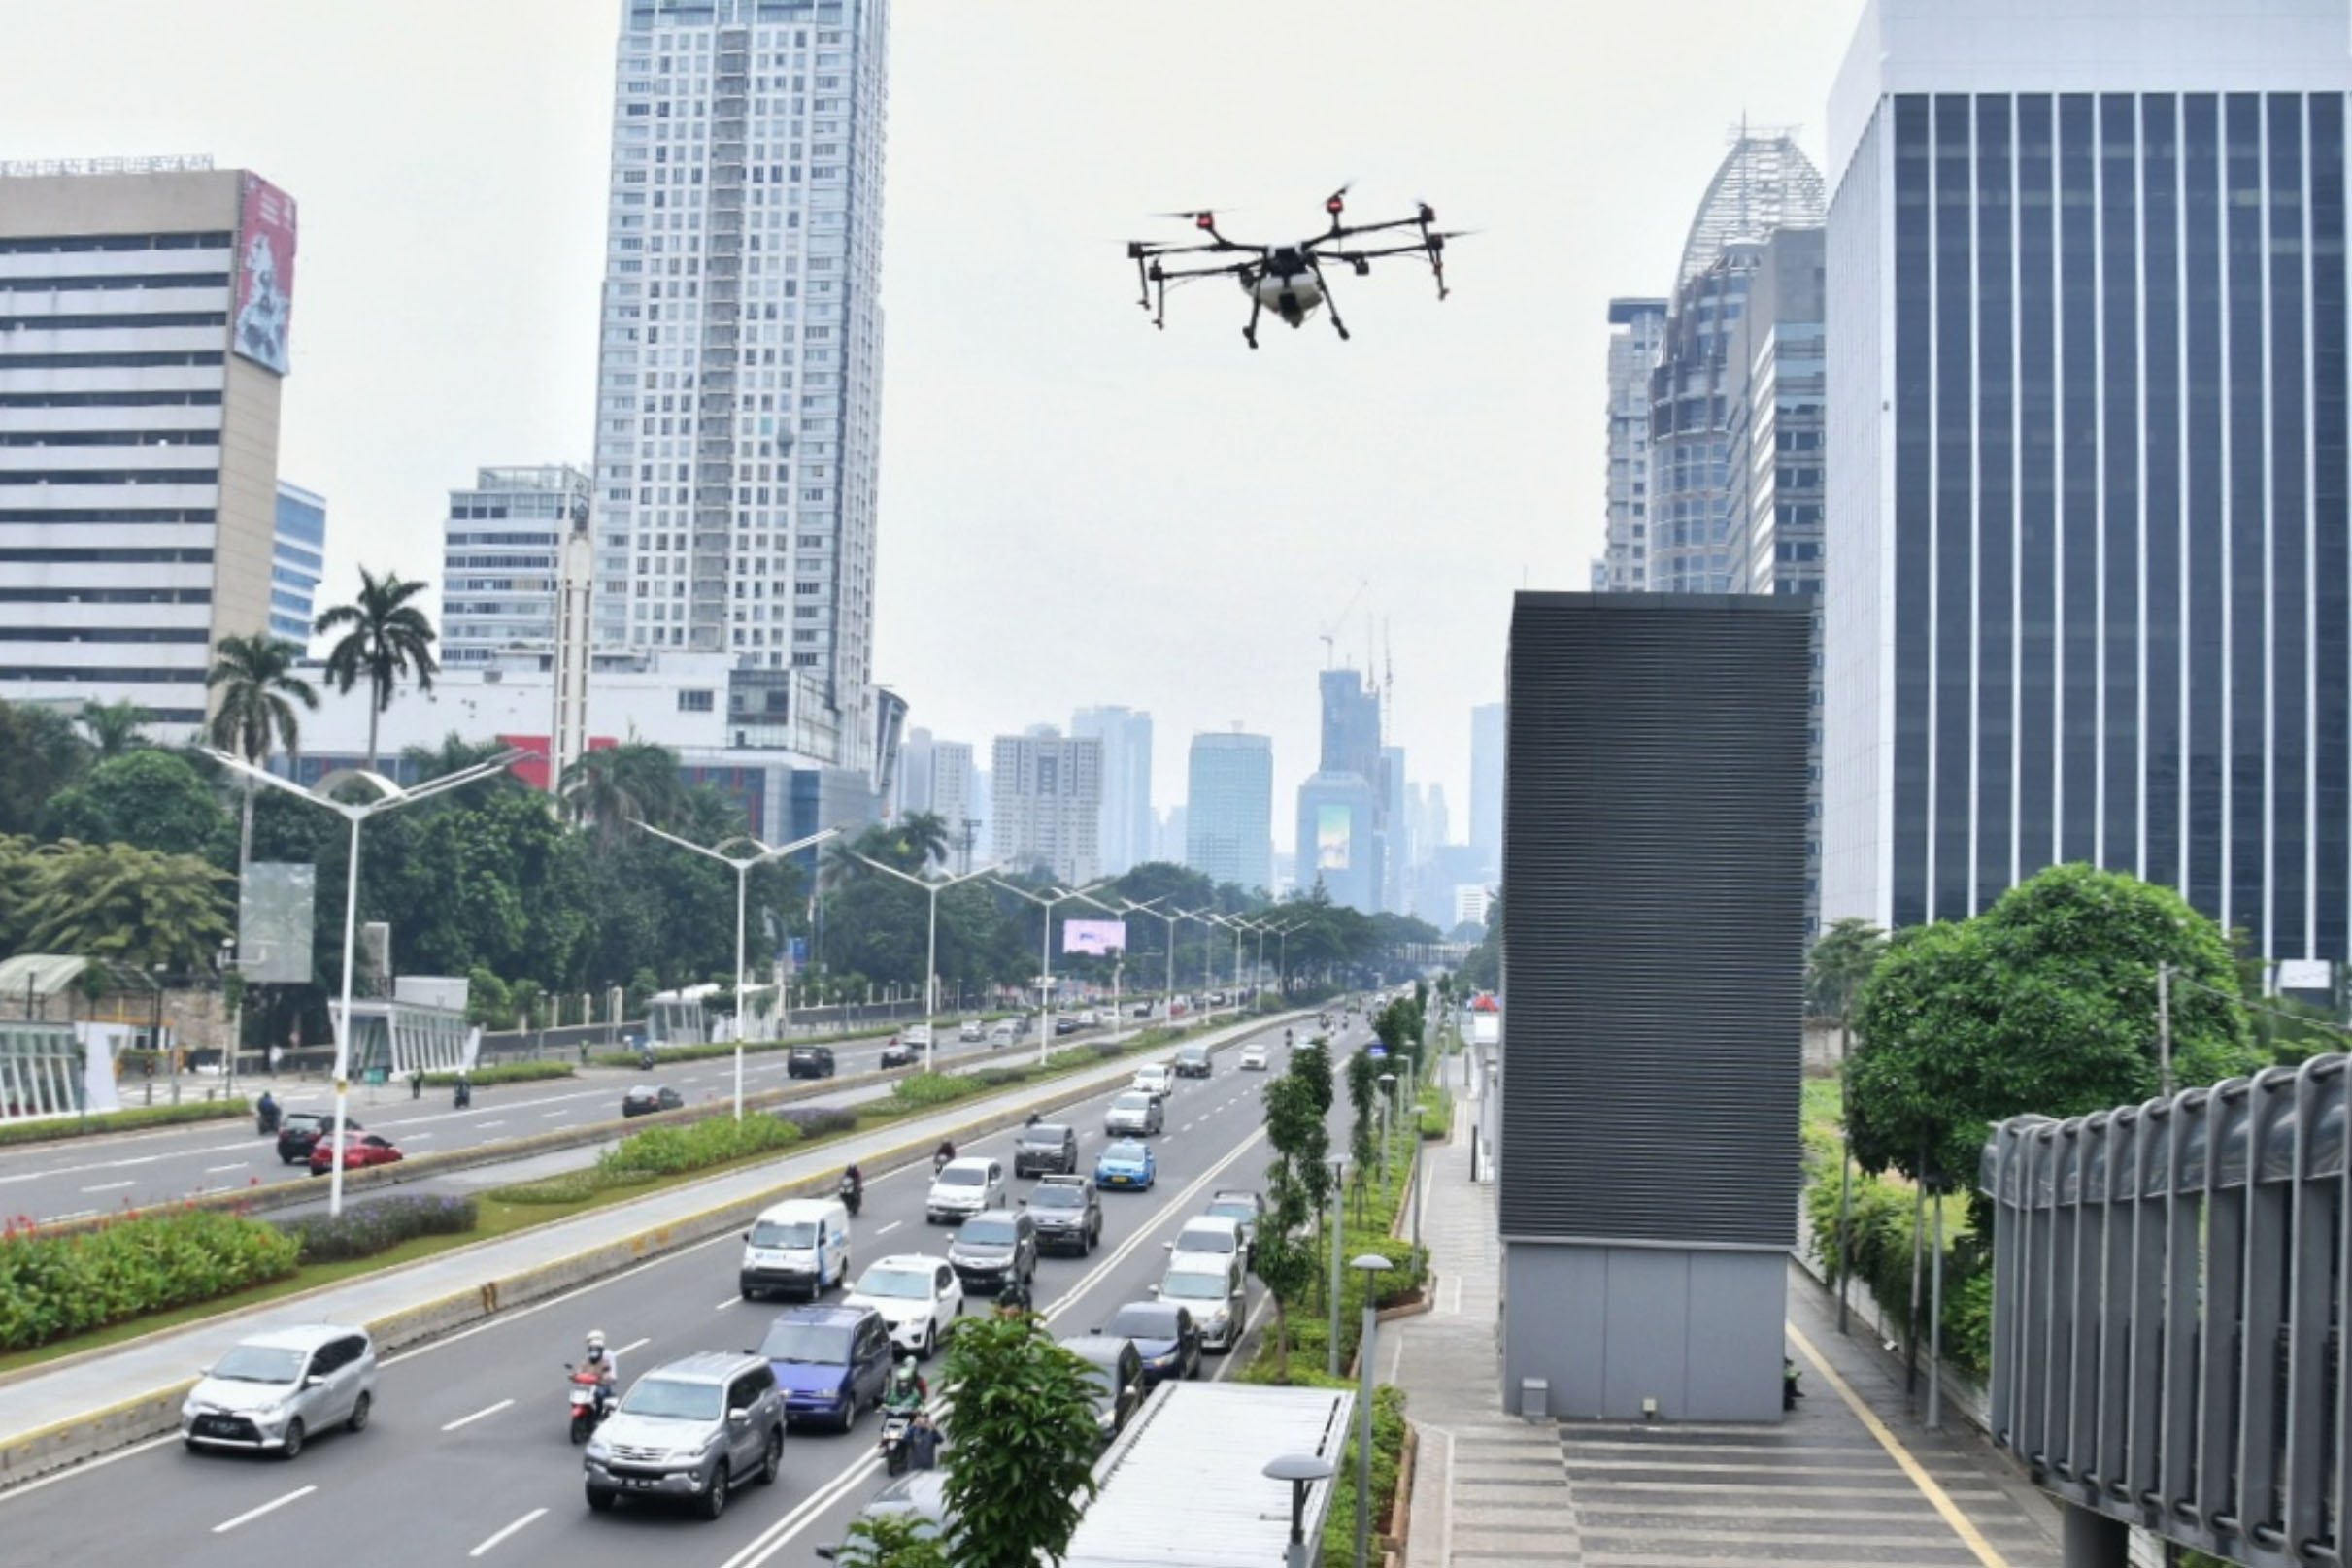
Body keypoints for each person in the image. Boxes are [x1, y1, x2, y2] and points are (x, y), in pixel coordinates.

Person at [584, 1330, 619, 1418]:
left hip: (603, 1385)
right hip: (590, 1385)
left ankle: (598, 1415)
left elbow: (612, 1372)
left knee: (599, 1395)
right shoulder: (589, 1355)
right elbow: (585, 1369)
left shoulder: (608, 1354)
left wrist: (608, 1377)